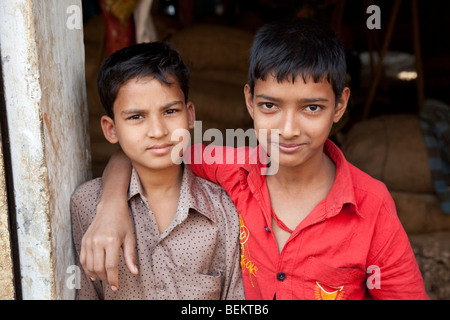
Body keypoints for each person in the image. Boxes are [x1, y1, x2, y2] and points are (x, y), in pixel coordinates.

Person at [81, 18, 428, 300]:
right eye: (270, 106)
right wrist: (110, 207)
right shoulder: (233, 168)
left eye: (312, 107)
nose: (288, 129)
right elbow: (149, 147)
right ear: (249, 101)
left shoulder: (370, 204)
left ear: (339, 105)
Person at [70, 41, 245, 300]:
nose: (158, 131)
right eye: (136, 117)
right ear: (110, 129)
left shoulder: (225, 209)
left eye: (170, 111)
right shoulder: (86, 205)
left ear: (189, 115)